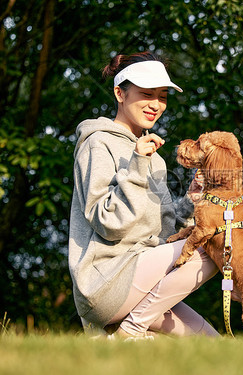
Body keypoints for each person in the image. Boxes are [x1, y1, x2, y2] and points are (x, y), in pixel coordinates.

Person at [68, 51, 219, 340]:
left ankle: (130, 334)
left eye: (162, 96)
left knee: (213, 345)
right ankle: (131, 331)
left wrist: (190, 202)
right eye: (146, 94)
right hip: (107, 280)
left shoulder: (152, 155)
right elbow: (108, 223)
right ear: (119, 93)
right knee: (216, 241)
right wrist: (137, 164)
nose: (156, 104)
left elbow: (161, 233)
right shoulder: (98, 143)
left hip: (144, 277)